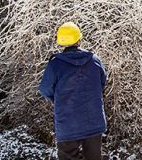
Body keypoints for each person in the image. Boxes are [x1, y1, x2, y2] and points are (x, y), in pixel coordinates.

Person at [39, 22, 107, 160]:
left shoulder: (55, 64)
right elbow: (102, 82)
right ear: (79, 39)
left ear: (61, 42)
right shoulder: (94, 60)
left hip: (67, 124)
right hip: (93, 121)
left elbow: (45, 89)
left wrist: (58, 100)